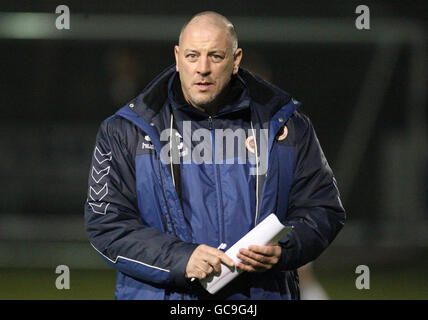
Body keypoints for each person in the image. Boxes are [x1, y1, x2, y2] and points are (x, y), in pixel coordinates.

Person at [84, 11, 345, 300]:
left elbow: (323, 208)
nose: (203, 68)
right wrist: (181, 259)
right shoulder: (126, 130)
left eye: (216, 56)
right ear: (177, 57)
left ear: (236, 60)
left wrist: (286, 249)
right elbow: (106, 224)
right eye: (193, 56)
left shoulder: (287, 126)